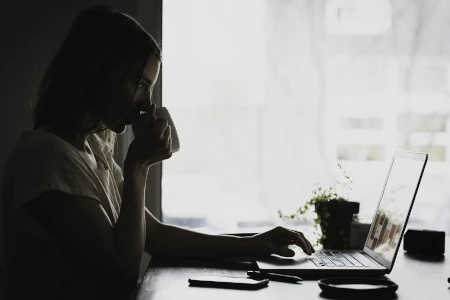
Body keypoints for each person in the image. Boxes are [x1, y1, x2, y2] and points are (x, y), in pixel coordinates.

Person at [0, 5, 314, 300]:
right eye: (139, 84)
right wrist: (138, 165)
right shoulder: (46, 158)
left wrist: (252, 244)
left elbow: (154, 234)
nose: (148, 103)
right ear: (98, 72)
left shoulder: (93, 148)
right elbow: (122, 270)